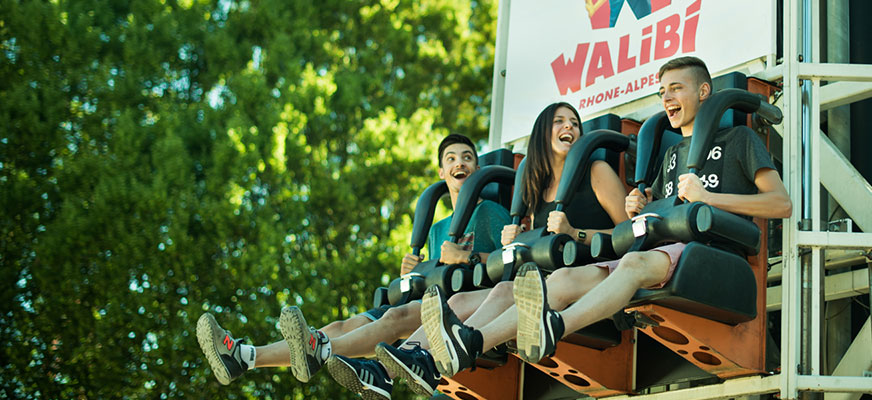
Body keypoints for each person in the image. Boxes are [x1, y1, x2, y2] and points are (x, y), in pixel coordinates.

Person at [422, 56, 792, 379]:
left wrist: (708, 198)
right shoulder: (671, 156)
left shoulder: (739, 139)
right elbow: (658, 214)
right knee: (563, 278)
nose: (666, 98)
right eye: (662, 91)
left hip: (711, 249)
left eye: (676, 88)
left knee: (631, 263)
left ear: (704, 92)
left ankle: (555, 326)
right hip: (661, 251)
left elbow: (781, 205)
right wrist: (640, 207)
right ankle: (472, 342)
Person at [195, 134, 509, 394]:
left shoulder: (491, 212)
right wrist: (416, 272)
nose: (459, 163)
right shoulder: (437, 228)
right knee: (343, 326)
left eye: (467, 157)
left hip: (460, 306)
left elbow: (508, 264)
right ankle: (245, 356)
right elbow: (441, 269)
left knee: (393, 317)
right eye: (451, 158)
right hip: (429, 299)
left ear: (477, 167)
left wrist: (466, 257)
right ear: (441, 171)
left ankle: (321, 350)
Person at [367, 101, 629, 394]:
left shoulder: (597, 171)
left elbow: (628, 234)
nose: (569, 126)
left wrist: (574, 233)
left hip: (589, 273)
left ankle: (461, 347)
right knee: (465, 300)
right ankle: (393, 368)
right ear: (542, 134)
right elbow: (544, 245)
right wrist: (520, 240)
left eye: (574, 123)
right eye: (559, 121)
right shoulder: (537, 189)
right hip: (547, 277)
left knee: (535, 287)